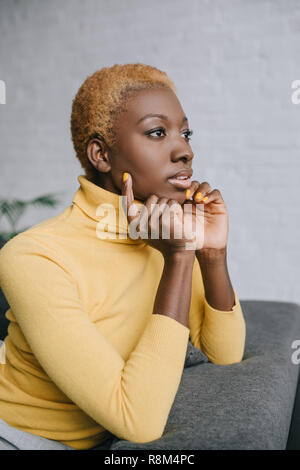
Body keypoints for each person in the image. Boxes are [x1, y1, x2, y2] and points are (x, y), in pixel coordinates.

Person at [0, 63, 246, 450]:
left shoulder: (166, 232)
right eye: (157, 132)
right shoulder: (34, 256)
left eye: (186, 132)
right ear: (101, 154)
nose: (185, 150)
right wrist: (179, 258)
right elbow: (140, 422)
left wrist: (212, 254)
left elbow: (227, 355)